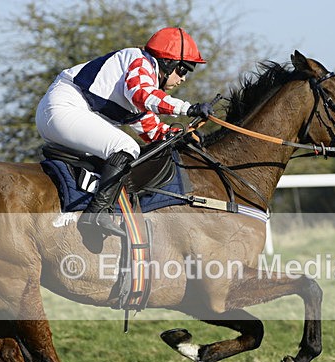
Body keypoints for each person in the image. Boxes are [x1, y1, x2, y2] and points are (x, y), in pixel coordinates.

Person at [35, 27, 214, 237]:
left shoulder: (141, 77)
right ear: (168, 62)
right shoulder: (140, 62)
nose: (183, 78)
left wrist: (179, 136)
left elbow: (151, 128)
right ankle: (96, 213)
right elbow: (143, 95)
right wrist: (187, 108)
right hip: (62, 108)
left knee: (124, 149)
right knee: (126, 147)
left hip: (62, 113)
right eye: (183, 70)